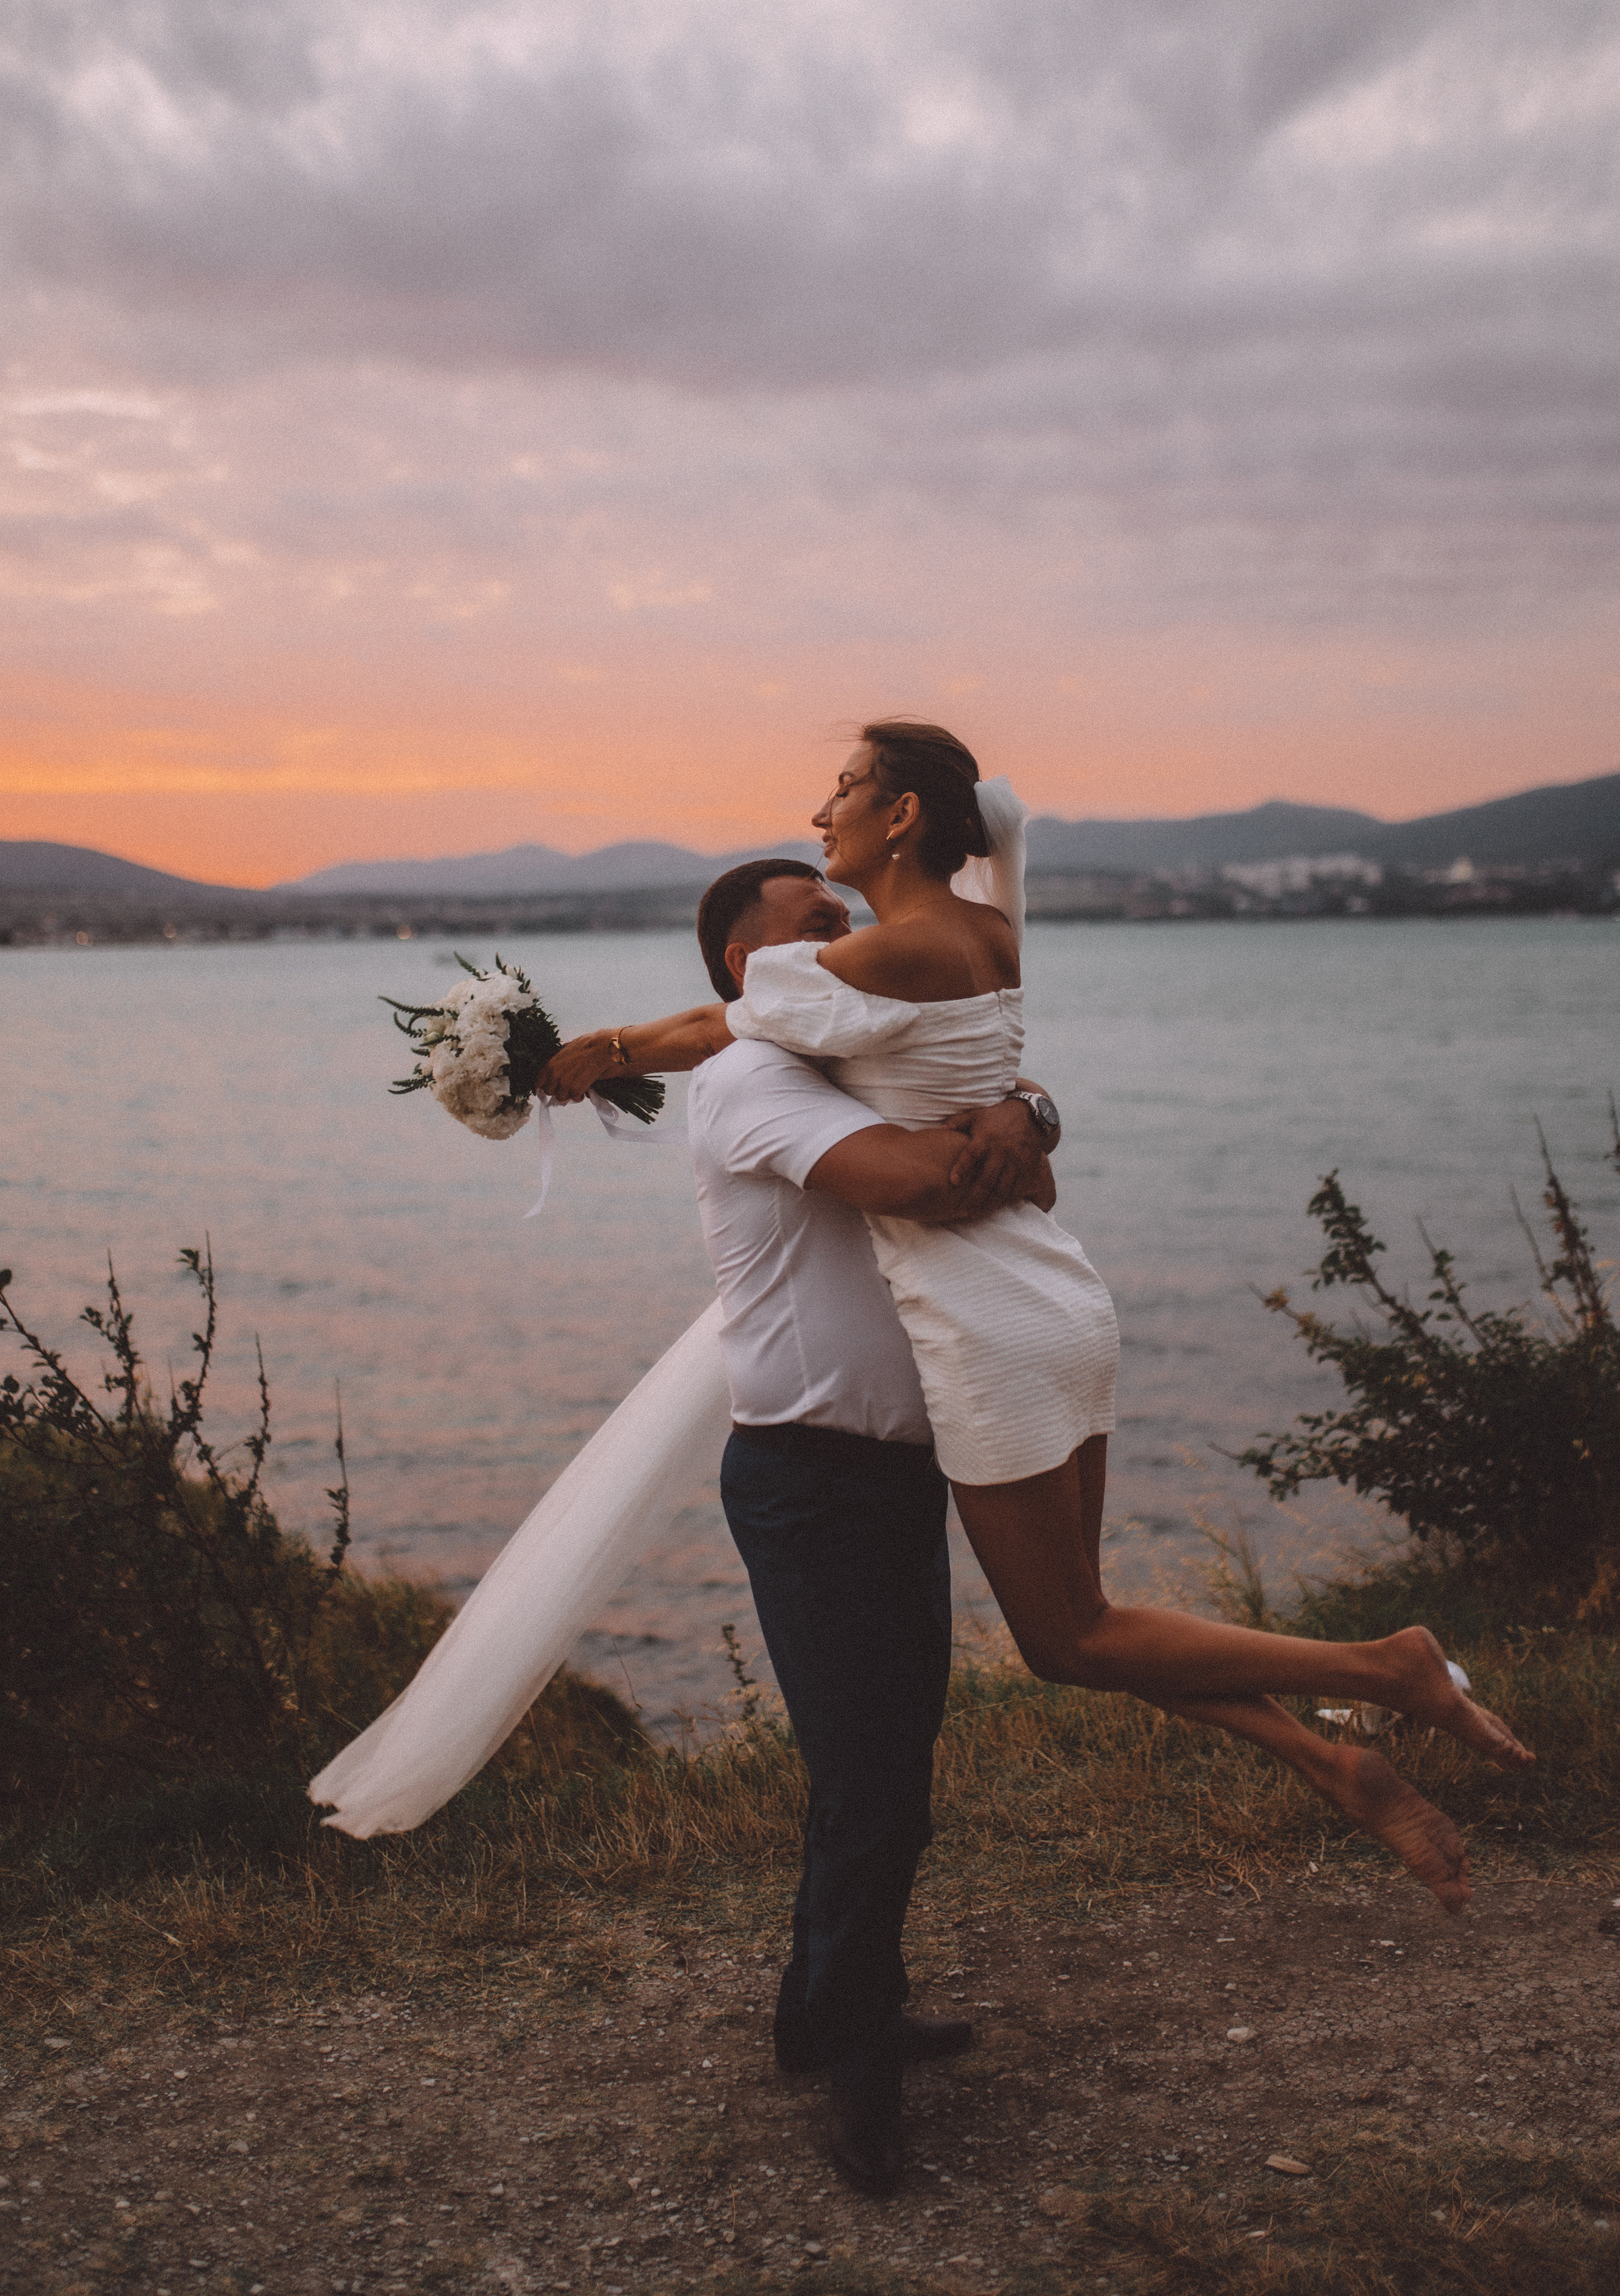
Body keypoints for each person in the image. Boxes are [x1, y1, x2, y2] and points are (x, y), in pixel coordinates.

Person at [539, 721, 1534, 1917]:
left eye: (847, 787)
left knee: (1071, 1641)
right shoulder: (988, 935)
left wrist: (582, 1056)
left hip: (984, 1320)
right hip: (1057, 1290)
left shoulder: (863, 968)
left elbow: (722, 1023)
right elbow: (870, 1051)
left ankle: (1386, 1668)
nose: (827, 808)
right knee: (1096, 1622)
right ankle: (1339, 1762)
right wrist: (1030, 1110)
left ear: (902, 816)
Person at [682, 853, 1058, 2194]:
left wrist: (1025, 1102)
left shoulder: (846, 1068)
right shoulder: (749, 1083)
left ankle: (818, 2011)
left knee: (885, 1762)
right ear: (751, 968)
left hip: (892, 1471)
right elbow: (927, 1182)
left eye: (844, 920)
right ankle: (855, 2070)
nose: (847, 940)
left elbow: (993, 1146)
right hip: (807, 1477)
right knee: (874, 1786)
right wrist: (1013, 1120)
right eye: (815, 928)